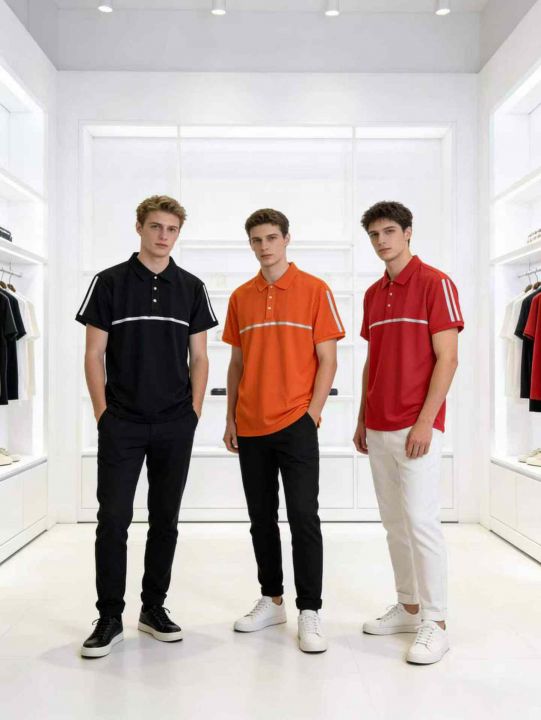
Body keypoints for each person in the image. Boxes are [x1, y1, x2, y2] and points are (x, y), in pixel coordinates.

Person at [76, 195, 218, 658]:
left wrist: (194, 412)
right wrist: (103, 413)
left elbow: (200, 357)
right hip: (122, 422)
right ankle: (109, 616)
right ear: (139, 227)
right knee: (113, 520)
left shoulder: (191, 287)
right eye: (156, 226)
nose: (163, 236)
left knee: (165, 520)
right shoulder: (109, 282)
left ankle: (153, 608)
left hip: (175, 422)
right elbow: (93, 354)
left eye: (172, 229)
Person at [222, 208, 345, 653]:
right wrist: (231, 417)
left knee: (303, 517)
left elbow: (328, 359)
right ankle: (272, 599)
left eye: (271, 238)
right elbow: (236, 363)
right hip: (251, 424)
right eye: (256, 240)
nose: (264, 247)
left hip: (296, 422)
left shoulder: (315, 289)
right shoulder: (240, 296)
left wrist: (312, 414)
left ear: (287, 239)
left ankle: (309, 609)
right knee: (261, 519)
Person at [353, 201, 463, 665]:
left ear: (408, 232)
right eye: (374, 234)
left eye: (389, 232)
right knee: (395, 524)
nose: (382, 241)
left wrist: (425, 421)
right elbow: (372, 360)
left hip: (416, 426)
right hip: (378, 424)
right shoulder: (373, 294)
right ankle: (409, 606)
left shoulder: (436, 283)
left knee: (421, 522)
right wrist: (362, 417)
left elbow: (448, 358)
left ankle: (436, 622)